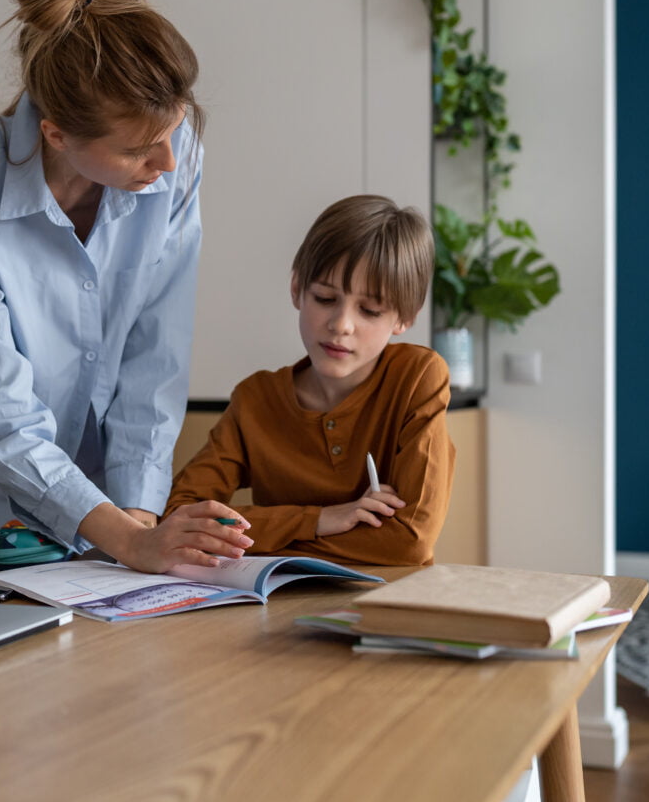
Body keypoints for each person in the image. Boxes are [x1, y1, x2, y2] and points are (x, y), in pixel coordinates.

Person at [0, 0, 251, 573]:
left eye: (174, 133)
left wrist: (138, 519)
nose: (166, 161)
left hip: (126, 518)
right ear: (57, 134)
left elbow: (156, 351)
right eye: (135, 149)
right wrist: (129, 543)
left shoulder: (172, 158)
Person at [165, 195, 455, 566]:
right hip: (277, 605)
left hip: (388, 605)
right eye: (324, 298)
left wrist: (267, 543)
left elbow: (409, 542)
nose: (341, 324)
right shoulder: (256, 399)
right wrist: (320, 520)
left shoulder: (417, 378)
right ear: (296, 289)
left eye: (369, 310)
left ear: (404, 319)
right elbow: (183, 517)